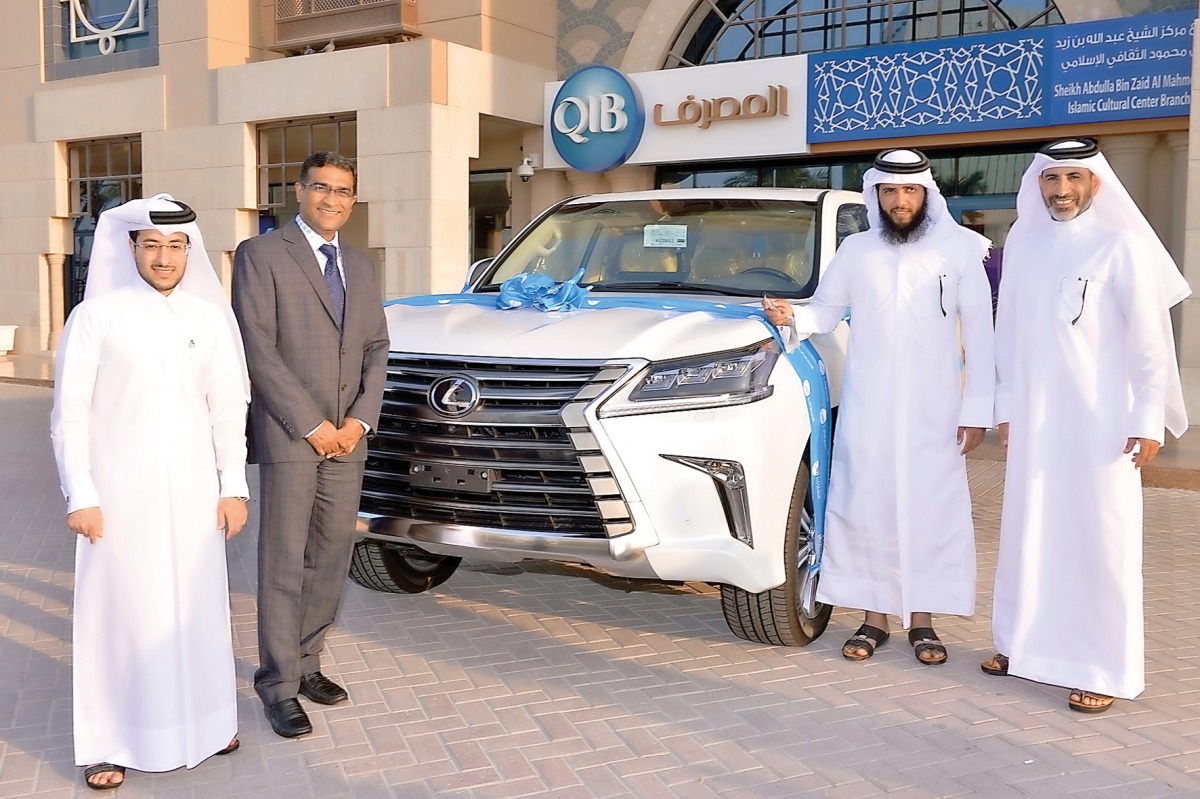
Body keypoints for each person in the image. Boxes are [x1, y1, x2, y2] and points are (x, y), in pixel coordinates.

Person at [984, 138, 1191, 713]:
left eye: (1073, 178)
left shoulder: (1121, 246)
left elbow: (1150, 340)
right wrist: (1006, 408)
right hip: (1034, 419)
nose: (1062, 190)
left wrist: (1148, 416)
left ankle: (1103, 666)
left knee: (1100, 538)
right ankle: (1020, 646)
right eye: (1052, 179)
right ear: (1039, 185)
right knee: (1029, 531)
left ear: (1095, 183)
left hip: (1102, 423)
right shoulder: (1023, 242)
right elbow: (1008, 333)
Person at [764, 149, 994, 665]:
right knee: (868, 509)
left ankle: (924, 622)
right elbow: (825, 311)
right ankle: (874, 620)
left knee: (930, 511)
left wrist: (977, 410)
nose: (899, 200)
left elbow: (982, 334)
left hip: (936, 411)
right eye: (889, 191)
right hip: (869, 407)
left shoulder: (961, 249)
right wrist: (791, 317)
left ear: (927, 194)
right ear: (876, 196)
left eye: (909, 190)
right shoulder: (857, 250)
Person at [50, 195, 250, 790]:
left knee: (196, 612)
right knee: (122, 615)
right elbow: (70, 415)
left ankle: (209, 726)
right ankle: (109, 742)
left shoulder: (209, 319)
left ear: (190, 250)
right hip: (118, 499)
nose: (164, 257)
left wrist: (234, 487)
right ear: (131, 248)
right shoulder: (96, 317)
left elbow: (227, 410)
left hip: (195, 496)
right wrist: (80, 494)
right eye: (152, 245)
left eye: (175, 246)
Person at [233, 151, 389, 738]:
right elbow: (257, 347)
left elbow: (376, 347)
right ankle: (277, 683)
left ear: (354, 200)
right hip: (291, 435)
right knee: (284, 559)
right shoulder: (261, 254)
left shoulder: (362, 264)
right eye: (321, 187)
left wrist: (359, 422)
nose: (332, 199)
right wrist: (311, 424)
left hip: (348, 439)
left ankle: (307, 662)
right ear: (299, 191)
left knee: (329, 557)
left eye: (343, 191)